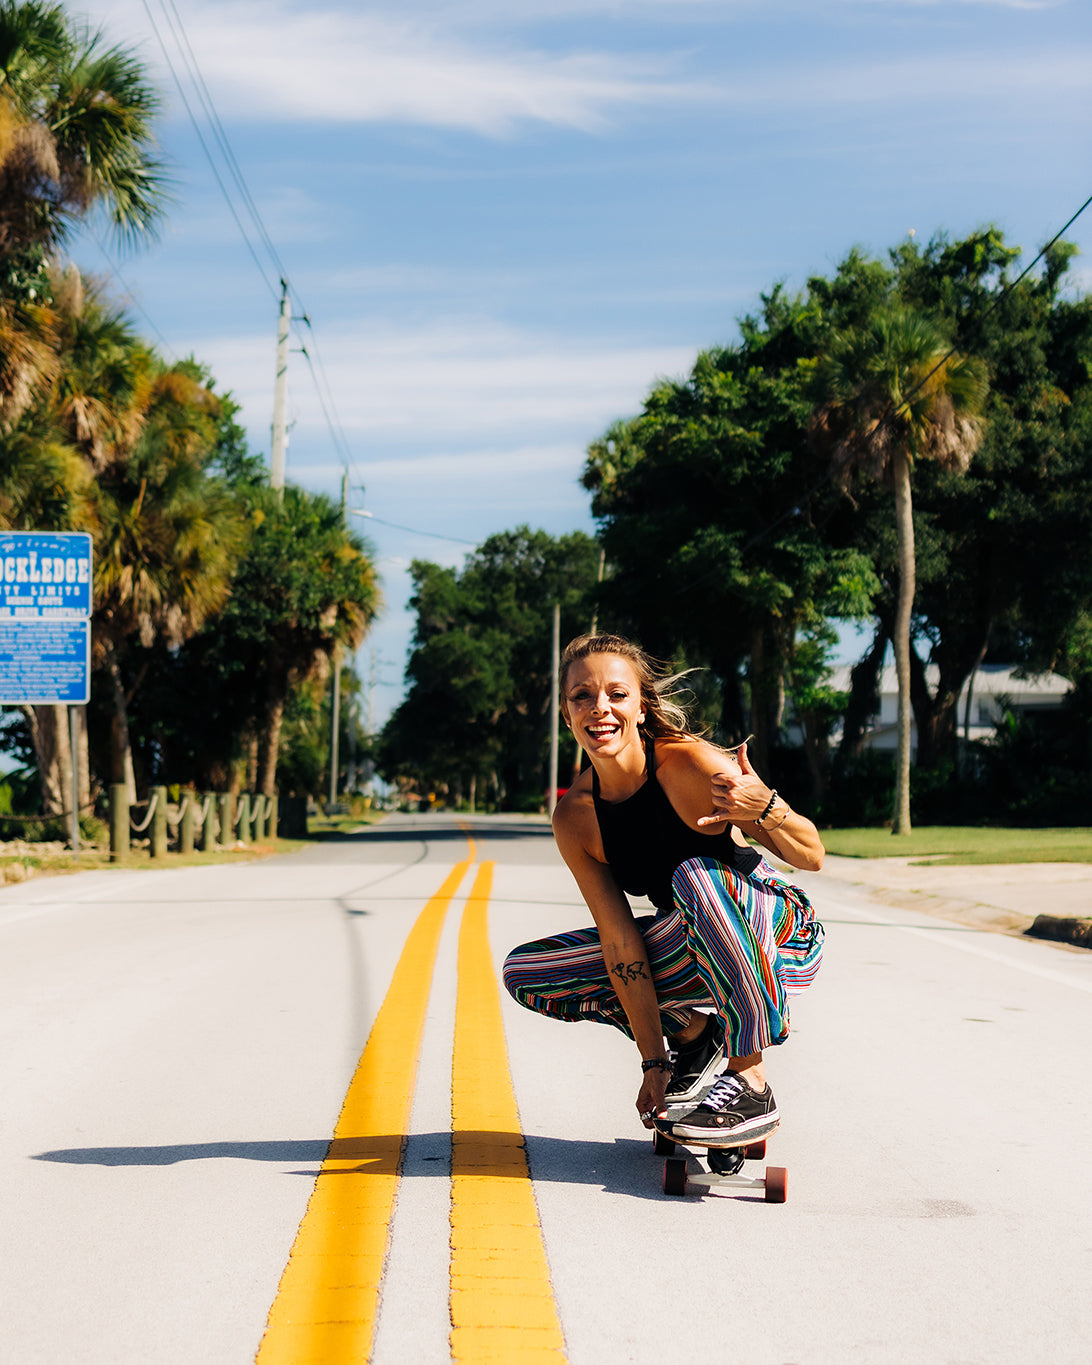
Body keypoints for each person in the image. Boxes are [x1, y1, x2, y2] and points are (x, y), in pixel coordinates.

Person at [503, 633, 826, 1145]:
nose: (598, 708)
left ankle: (749, 1077)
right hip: (688, 944)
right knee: (529, 972)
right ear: (566, 715)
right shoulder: (575, 817)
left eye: (616, 693)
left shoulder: (690, 764)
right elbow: (619, 942)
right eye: (581, 696)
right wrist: (654, 1060)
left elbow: (811, 856)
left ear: (641, 705)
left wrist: (764, 807)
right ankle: (695, 1039)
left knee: (694, 876)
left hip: (776, 931)